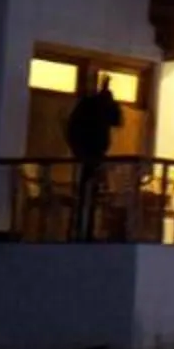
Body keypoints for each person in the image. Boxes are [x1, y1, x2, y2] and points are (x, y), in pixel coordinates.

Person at [64, 85, 124, 241]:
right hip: (89, 154)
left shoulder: (89, 107)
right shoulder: (92, 108)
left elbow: (116, 120)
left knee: (92, 193)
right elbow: (116, 120)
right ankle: (84, 230)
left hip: (92, 154)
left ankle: (86, 229)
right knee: (88, 193)